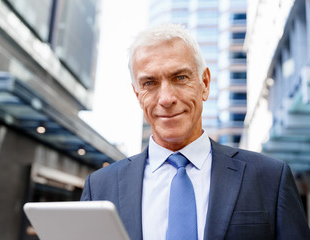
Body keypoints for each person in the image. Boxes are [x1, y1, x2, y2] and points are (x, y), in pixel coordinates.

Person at [81, 23, 310, 240]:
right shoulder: (99, 187)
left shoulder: (270, 178)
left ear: (205, 84)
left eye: (180, 78)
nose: (166, 98)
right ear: (137, 94)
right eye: (149, 83)